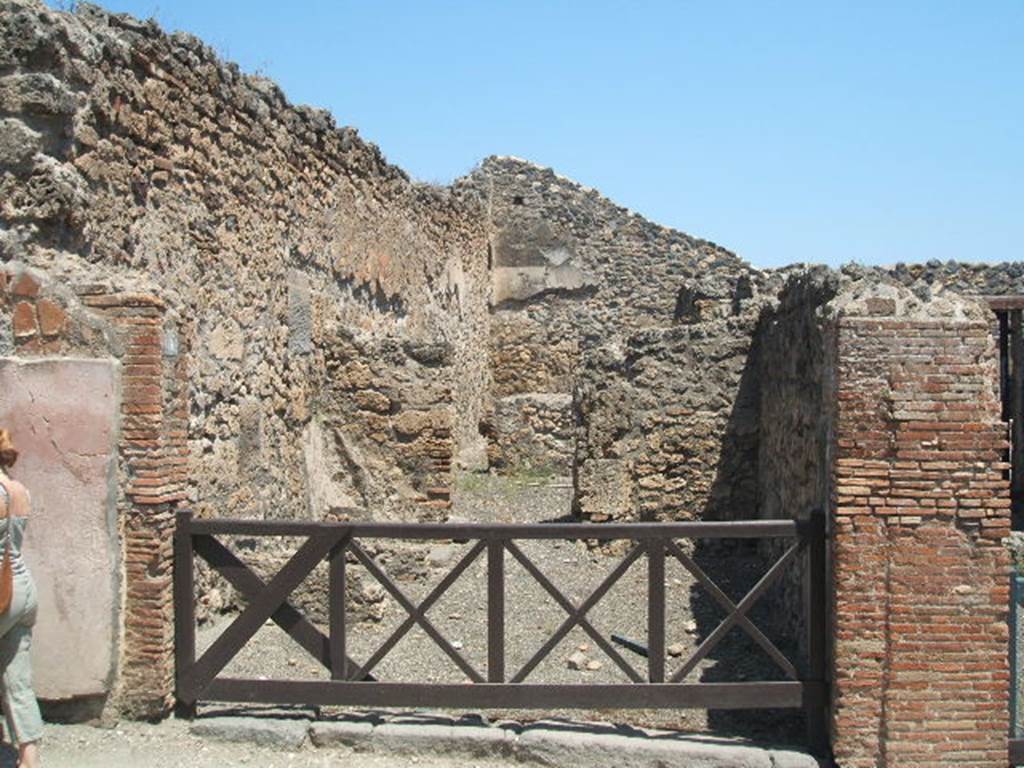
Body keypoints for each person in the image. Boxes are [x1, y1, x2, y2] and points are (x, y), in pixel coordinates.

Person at [0, 429, 42, 768]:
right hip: (25, 589)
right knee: (18, 679)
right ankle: (29, 758)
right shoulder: (20, 491)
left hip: (1, 592)